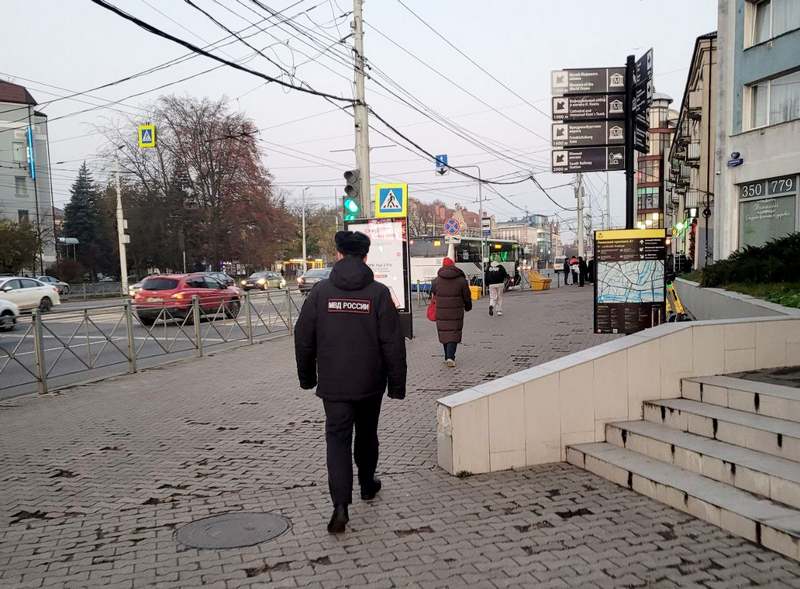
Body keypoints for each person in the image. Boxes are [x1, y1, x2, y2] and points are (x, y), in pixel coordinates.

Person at [294, 231, 407, 535]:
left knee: (337, 441)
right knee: (367, 434)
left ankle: (340, 506)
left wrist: (307, 377)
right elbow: (393, 343)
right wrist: (397, 385)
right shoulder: (379, 293)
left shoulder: (320, 292)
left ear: (339, 254)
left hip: (334, 385)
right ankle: (367, 485)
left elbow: (303, 338)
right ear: (365, 257)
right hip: (370, 383)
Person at [431, 257, 472, 367]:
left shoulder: (436, 281)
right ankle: (450, 357)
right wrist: (468, 306)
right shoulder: (461, 280)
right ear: (453, 266)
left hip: (441, 312)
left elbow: (433, 293)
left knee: (444, 333)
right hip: (456, 312)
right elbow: (467, 296)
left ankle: (447, 356)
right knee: (453, 333)